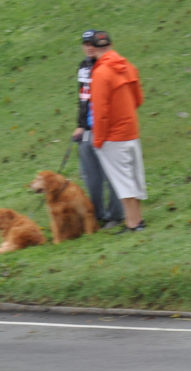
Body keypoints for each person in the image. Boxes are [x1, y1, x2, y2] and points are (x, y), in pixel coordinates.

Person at [88, 30, 147, 233]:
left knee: (123, 181)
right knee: (134, 176)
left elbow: (100, 112)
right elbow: (139, 99)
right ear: (110, 45)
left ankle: (132, 223)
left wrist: (98, 138)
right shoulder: (127, 66)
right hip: (131, 130)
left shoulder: (101, 73)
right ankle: (137, 219)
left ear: (93, 49)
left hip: (113, 136)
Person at [72, 29, 122, 230]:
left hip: (109, 128)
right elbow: (83, 99)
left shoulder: (107, 66)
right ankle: (98, 215)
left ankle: (116, 215)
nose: (89, 47)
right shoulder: (83, 67)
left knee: (111, 174)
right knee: (90, 175)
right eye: (86, 44)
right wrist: (80, 125)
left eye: (92, 43)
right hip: (88, 129)